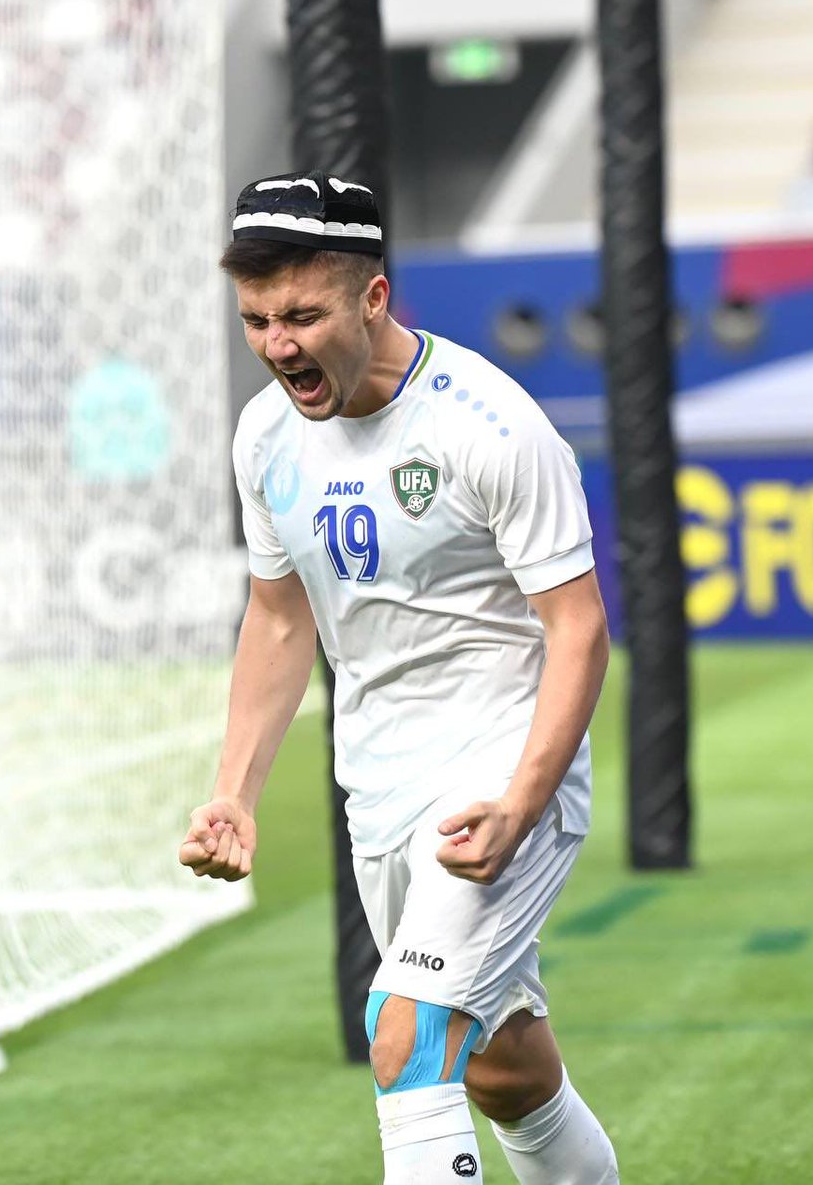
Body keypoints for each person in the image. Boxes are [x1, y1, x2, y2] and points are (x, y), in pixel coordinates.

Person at [180, 170, 619, 1184]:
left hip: (498, 777)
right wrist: (234, 792)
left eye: (301, 315)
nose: (277, 346)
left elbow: (579, 629)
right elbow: (280, 618)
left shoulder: (490, 427)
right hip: (377, 789)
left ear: (371, 298)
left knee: (404, 1035)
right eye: (254, 320)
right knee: (504, 1072)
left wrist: (520, 800)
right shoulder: (263, 435)